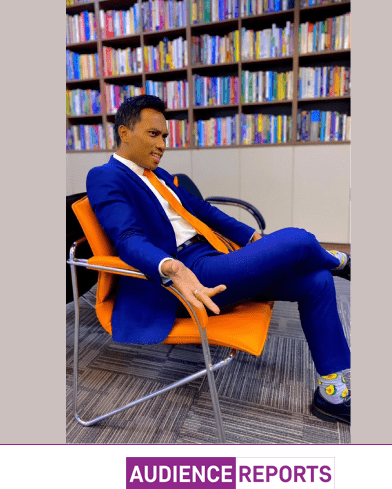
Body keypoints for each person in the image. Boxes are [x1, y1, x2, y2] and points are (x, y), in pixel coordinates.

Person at [86, 95, 352, 425]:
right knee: (298, 239)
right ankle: (340, 261)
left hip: (215, 258)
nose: (163, 144)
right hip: (189, 278)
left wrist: (252, 238)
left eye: (165, 136)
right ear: (124, 133)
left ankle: (331, 394)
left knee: (317, 281)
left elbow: (203, 210)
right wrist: (172, 268)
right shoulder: (105, 176)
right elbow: (127, 238)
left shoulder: (159, 175)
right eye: (153, 134)